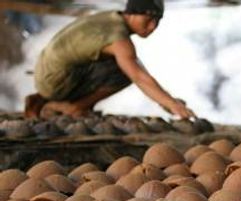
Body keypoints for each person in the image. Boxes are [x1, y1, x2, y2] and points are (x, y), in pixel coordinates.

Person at [25, 0, 196, 119]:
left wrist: (165, 101)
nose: (152, 27)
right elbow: (138, 76)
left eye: (157, 21)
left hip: (46, 74)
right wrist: (173, 104)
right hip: (54, 80)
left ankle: (49, 101)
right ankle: (75, 107)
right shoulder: (117, 37)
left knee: (128, 63)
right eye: (148, 19)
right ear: (132, 14)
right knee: (125, 71)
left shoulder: (111, 18)